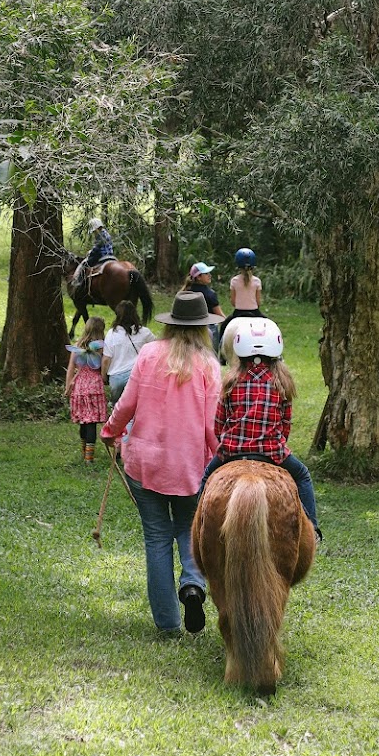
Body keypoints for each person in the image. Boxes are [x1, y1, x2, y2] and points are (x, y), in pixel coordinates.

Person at [101, 290, 221, 638]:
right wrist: (222, 461)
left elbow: (127, 403)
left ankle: (167, 625)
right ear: (203, 328)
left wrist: (110, 432)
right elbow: (213, 426)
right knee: (189, 531)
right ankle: (193, 585)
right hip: (190, 468)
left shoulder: (150, 353)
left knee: (156, 538)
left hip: (145, 463)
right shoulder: (209, 365)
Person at [199, 315, 320, 534]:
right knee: (302, 476)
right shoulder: (282, 382)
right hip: (272, 453)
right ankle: (312, 530)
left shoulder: (230, 380)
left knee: (207, 477)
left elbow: (218, 426)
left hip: (231, 452)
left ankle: (198, 529)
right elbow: (285, 427)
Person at [64, 316, 107, 463]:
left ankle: (84, 452)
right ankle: (89, 458)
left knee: (83, 420)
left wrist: (68, 386)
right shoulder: (102, 347)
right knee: (92, 421)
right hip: (94, 385)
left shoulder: (77, 345)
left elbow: (70, 368)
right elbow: (103, 367)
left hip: (80, 386)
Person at [102, 301, 155, 402]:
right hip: (138, 376)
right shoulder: (144, 332)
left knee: (117, 411)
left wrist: (103, 376)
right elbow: (157, 348)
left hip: (117, 379)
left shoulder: (112, 333)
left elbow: (106, 359)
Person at [219, 245, 263, 342]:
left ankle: (220, 351)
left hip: (238, 312)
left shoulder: (234, 281)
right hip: (254, 312)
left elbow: (233, 302)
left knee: (223, 328)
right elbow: (258, 302)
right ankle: (276, 355)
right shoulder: (257, 281)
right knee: (272, 326)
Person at [183, 261, 225, 350]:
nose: (210, 275)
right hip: (207, 329)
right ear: (198, 277)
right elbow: (219, 315)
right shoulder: (210, 294)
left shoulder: (185, 292)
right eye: (206, 273)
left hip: (188, 328)